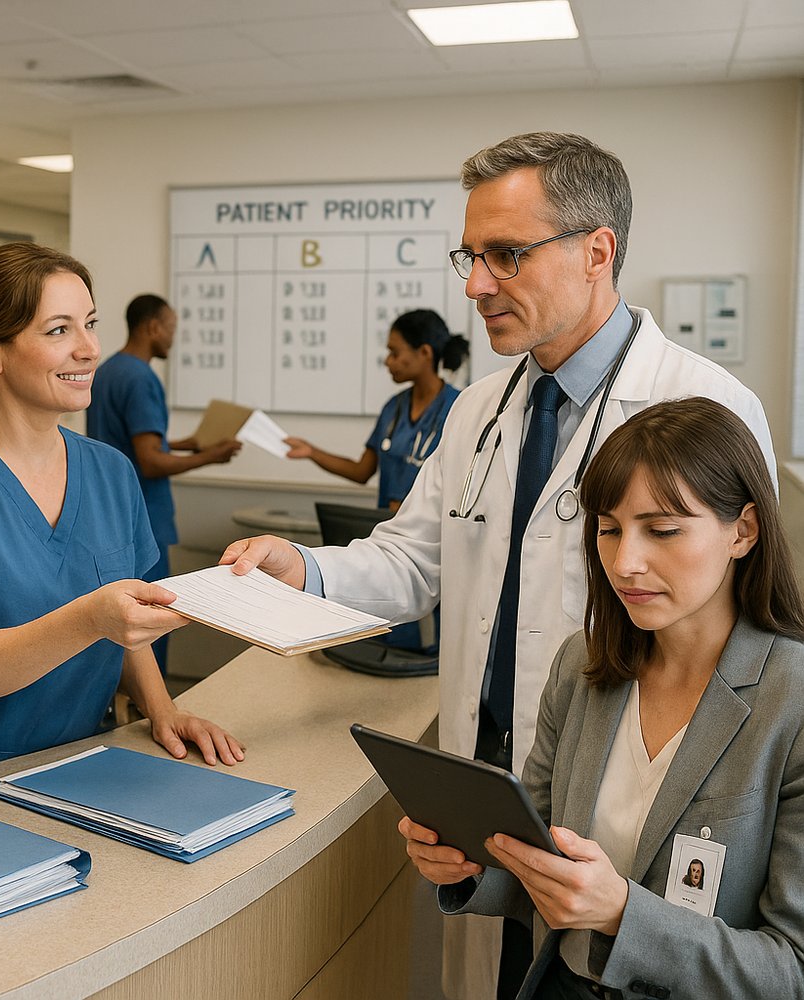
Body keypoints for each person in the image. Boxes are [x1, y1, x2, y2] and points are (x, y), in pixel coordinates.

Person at [219, 132, 775, 999]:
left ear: (599, 252)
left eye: (506, 255)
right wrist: (304, 568)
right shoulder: (480, 407)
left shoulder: (701, 405)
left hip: (631, 800)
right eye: (470, 256)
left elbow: (742, 646)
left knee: (609, 965)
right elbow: (412, 559)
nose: (476, 285)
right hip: (484, 790)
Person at [401, 397, 804, 999]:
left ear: (742, 531)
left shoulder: (790, 700)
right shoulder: (584, 667)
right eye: (609, 529)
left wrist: (622, 915)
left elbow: (790, 969)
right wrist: (470, 866)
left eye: (662, 530)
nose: (625, 562)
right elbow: (536, 857)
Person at [0, 243, 244, 791]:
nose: (89, 349)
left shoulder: (111, 472)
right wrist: (91, 617)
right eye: (59, 330)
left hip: (73, 764)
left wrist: (162, 708)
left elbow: (127, 620)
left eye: (90, 324)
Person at [86, 293, 242, 672]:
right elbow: (151, 461)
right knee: (149, 626)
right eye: (171, 329)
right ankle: (152, 711)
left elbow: (136, 441)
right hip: (144, 521)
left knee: (116, 627)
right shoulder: (142, 379)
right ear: (152, 327)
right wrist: (211, 457)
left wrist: (193, 444)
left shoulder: (107, 372)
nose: (174, 337)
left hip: (107, 518)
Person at [284, 308, 468, 512]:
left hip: (433, 536)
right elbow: (361, 471)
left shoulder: (461, 406)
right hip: (386, 531)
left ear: (424, 353)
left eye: (395, 353)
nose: (388, 361)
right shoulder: (393, 407)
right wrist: (311, 452)